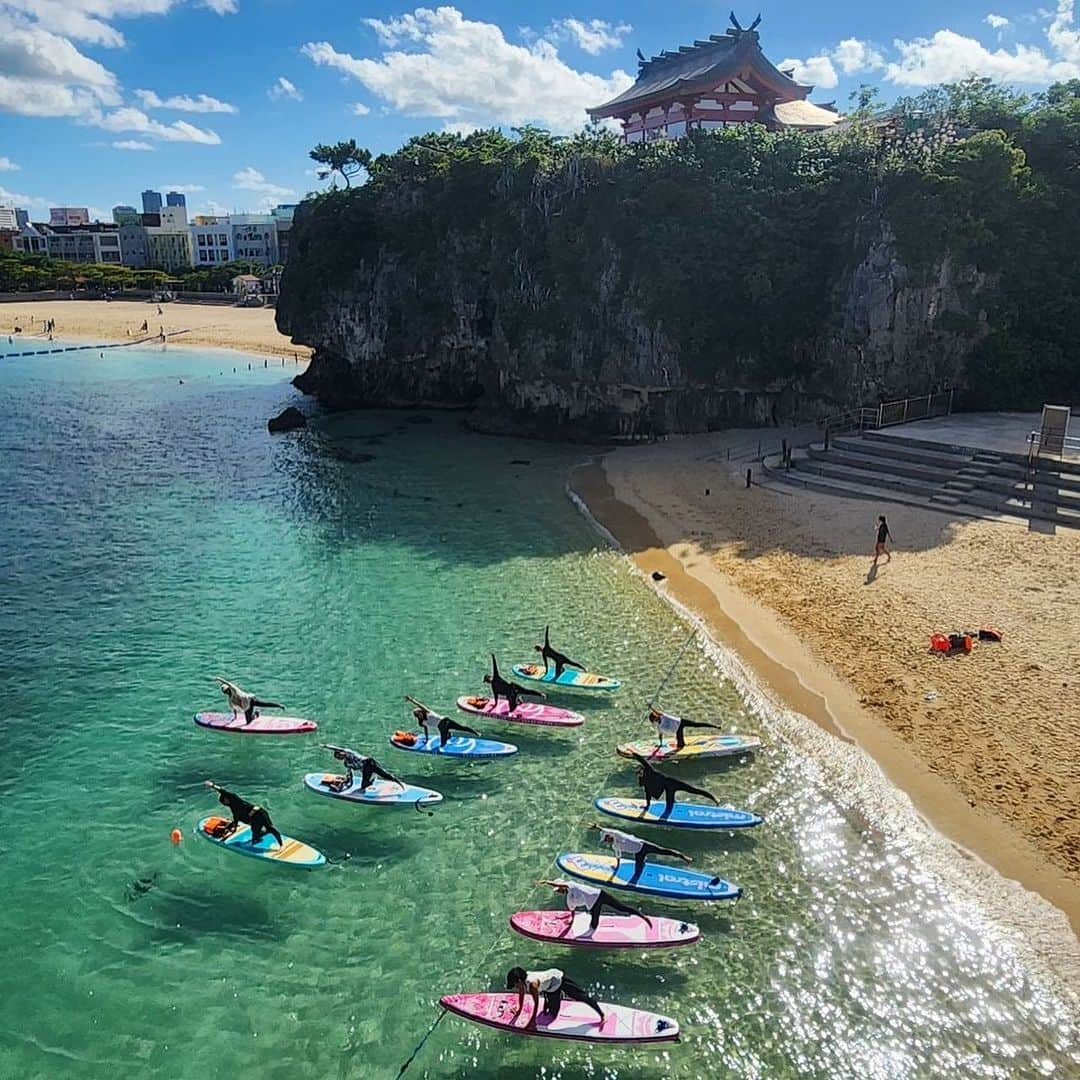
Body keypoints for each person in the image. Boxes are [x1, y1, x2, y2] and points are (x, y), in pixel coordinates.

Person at [589, 822, 692, 883]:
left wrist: (598, 827)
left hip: (643, 845)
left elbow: (610, 830)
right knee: (637, 872)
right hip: (638, 853)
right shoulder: (615, 846)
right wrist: (617, 867)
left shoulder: (618, 835)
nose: (607, 841)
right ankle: (640, 871)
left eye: (606, 839)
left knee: (663, 851)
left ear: (609, 836)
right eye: (605, 841)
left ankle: (683, 857)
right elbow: (618, 856)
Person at [538, 878, 652, 933]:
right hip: (597, 897)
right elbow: (572, 911)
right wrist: (569, 921)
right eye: (558, 891)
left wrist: (547, 882)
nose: (559, 892)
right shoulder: (569, 899)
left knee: (620, 908)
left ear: (562, 886)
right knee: (596, 915)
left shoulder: (570, 884)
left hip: (599, 895)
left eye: (559, 889)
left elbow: (561, 884)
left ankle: (643, 917)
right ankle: (643, 917)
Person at [628, 752, 720, 818]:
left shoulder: (650, 770)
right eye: (637, 773)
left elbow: (644, 761)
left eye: (639, 771)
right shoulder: (643, 780)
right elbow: (647, 792)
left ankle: (714, 798)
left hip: (672, 782)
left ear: (643, 769)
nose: (639, 773)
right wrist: (647, 806)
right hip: (667, 788)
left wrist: (634, 754)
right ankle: (673, 809)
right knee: (669, 805)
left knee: (693, 789)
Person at [505, 967, 605, 1027]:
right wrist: (518, 1011)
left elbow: (536, 1004)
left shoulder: (532, 985)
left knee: (580, 996)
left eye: (514, 985)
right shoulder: (522, 982)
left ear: (518, 981)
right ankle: (557, 997)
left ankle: (602, 1014)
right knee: (552, 1014)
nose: (516, 988)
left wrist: (532, 1022)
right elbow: (521, 994)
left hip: (558, 979)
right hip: (549, 988)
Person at [204, 781, 282, 847]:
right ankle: (262, 834)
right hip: (255, 818)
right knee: (256, 836)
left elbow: (223, 791)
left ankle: (280, 844)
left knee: (270, 828)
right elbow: (236, 818)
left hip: (260, 813)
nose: (225, 804)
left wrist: (213, 786)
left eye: (224, 802)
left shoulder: (235, 799)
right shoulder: (233, 807)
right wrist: (233, 828)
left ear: (226, 799)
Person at [320, 744, 402, 794]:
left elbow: (338, 749)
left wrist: (327, 746)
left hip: (369, 762)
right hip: (365, 769)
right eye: (338, 757)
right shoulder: (347, 764)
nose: (340, 756)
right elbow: (350, 775)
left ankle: (399, 783)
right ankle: (372, 779)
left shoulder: (348, 753)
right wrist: (346, 784)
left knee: (384, 774)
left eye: (340, 755)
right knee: (364, 786)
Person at [407, 696, 481, 749]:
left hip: (445, 720)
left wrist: (411, 700)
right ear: (416, 717)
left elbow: (420, 705)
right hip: (441, 726)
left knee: (461, 728)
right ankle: (447, 737)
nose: (419, 715)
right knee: (443, 741)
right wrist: (426, 738)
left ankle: (476, 733)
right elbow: (426, 729)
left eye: (419, 713)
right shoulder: (422, 722)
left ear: (421, 712)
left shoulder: (427, 712)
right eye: (417, 715)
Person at [211, 676, 283, 725]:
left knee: (264, 704)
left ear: (229, 689)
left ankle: (279, 706)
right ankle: (256, 714)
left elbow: (228, 683)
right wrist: (235, 717)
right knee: (248, 722)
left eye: (226, 690)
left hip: (250, 700)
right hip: (247, 707)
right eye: (224, 692)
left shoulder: (234, 690)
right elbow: (234, 708)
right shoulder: (230, 700)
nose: (226, 692)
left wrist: (219, 679)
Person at [647, 707, 723, 751]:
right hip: (678, 730)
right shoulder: (659, 727)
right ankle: (683, 746)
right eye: (654, 719)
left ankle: (715, 726)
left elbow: (657, 712)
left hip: (681, 721)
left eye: (655, 717)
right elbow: (660, 735)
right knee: (680, 745)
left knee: (696, 724)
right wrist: (660, 745)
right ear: (654, 721)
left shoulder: (662, 716)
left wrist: (651, 707)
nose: (656, 718)